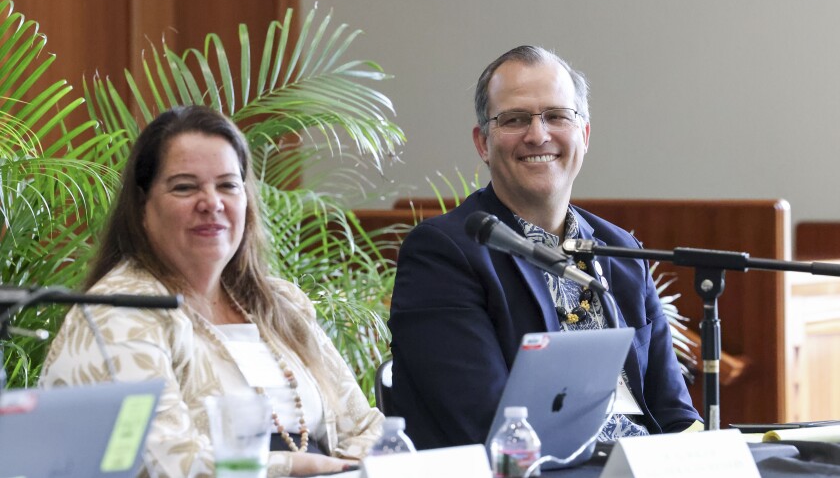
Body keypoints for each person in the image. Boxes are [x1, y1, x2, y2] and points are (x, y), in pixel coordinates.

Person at [40, 105, 383, 477]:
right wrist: (294, 467)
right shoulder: (119, 311)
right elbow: (164, 464)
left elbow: (367, 428)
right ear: (142, 206)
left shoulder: (281, 304)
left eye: (227, 185)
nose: (212, 203)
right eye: (185, 187)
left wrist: (351, 469)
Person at [388, 45, 702, 450]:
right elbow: (488, 428)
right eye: (515, 119)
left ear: (584, 135)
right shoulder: (444, 253)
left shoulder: (618, 250)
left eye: (557, 116)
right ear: (483, 143)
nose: (538, 135)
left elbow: (675, 414)